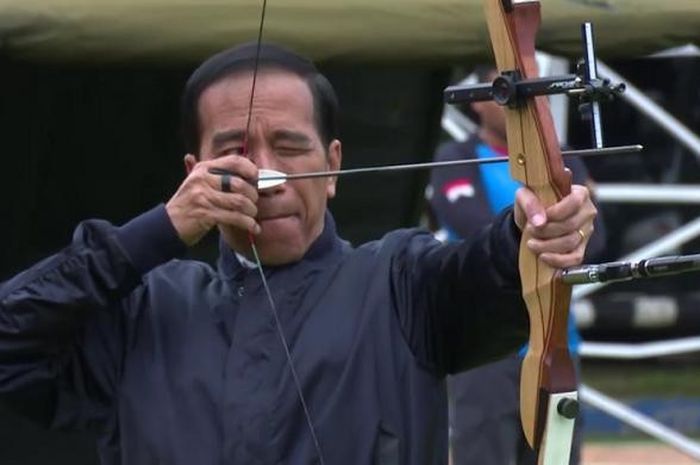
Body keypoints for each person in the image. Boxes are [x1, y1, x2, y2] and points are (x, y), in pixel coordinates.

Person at [0, 44, 597, 465]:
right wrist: (160, 229)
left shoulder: (400, 284)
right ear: (193, 173)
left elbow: (486, 275)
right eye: (233, 153)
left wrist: (531, 233)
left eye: (290, 148)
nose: (268, 176)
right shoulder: (142, 315)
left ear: (332, 166)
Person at [426, 65, 606, 465]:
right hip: (484, 349)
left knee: (557, 456)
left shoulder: (562, 160)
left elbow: (598, 236)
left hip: (556, 341)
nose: (525, 98)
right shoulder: (456, 158)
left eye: (532, 86)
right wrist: (546, 231)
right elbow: (470, 226)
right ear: (475, 101)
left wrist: (547, 235)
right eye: (508, 89)